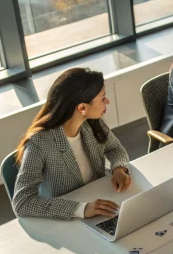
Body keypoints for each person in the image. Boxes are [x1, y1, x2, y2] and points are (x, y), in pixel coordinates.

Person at [13, 68, 132, 220]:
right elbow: (22, 202)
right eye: (103, 98)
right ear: (82, 108)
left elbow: (115, 149)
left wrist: (119, 168)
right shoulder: (39, 143)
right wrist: (81, 209)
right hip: (66, 216)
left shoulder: (92, 123)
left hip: (101, 201)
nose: (107, 102)